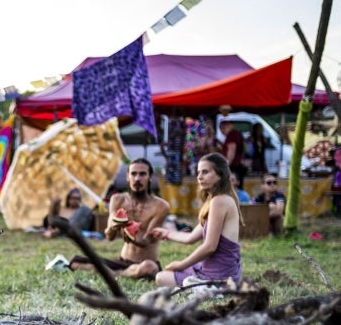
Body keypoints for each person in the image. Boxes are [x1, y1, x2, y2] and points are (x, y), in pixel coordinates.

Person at [152, 152, 243, 287]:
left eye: (205, 172)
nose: (199, 176)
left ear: (220, 175)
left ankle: (208, 287)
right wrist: (166, 233)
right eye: (198, 172)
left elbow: (210, 247)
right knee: (166, 275)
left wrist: (182, 264)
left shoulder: (219, 201)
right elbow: (191, 238)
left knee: (161, 277)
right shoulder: (218, 200)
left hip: (219, 277)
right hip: (225, 273)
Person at [69, 159, 170, 280]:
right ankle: (122, 272)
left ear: (150, 177)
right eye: (133, 174)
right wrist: (114, 226)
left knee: (149, 267)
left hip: (146, 263)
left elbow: (146, 241)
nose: (137, 179)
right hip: (122, 261)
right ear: (127, 177)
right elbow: (109, 236)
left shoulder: (161, 206)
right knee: (75, 262)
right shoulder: (117, 200)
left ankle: (114, 274)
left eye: (142, 174)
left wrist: (126, 228)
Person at [220, 120, 247, 188]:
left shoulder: (232, 134)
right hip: (236, 166)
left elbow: (231, 150)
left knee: (231, 187)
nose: (222, 130)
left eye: (224, 127)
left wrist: (226, 165)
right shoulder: (236, 134)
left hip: (233, 167)